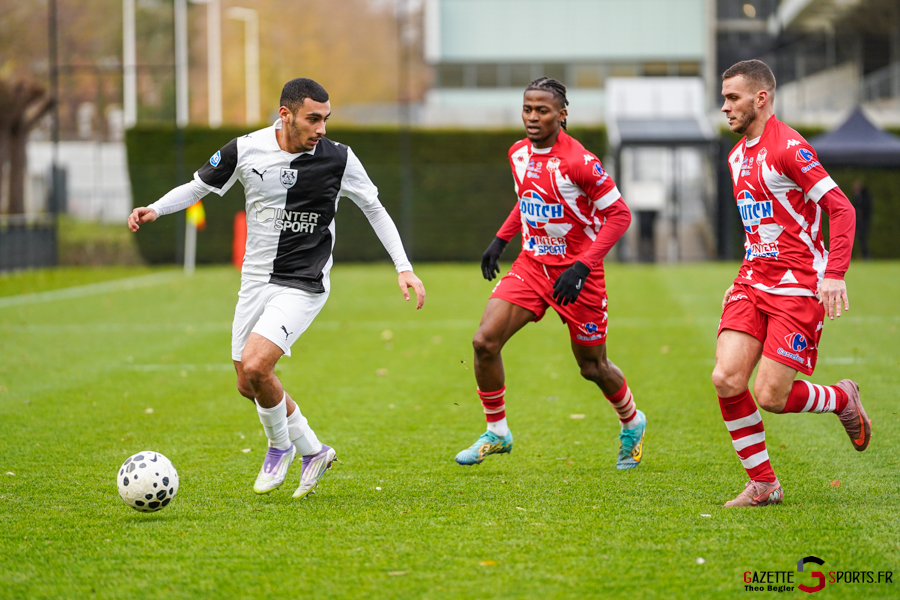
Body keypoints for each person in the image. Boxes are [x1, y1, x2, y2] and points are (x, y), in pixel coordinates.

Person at [128, 78, 425, 498]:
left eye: (325, 119)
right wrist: (156, 208)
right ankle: (314, 451)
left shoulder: (339, 158)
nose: (321, 128)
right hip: (255, 279)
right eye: (313, 119)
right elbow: (199, 186)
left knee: (256, 366)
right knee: (246, 383)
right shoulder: (246, 149)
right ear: (285, 115)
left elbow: (374, 208)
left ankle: (279, 446)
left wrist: (403, 267)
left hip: (303, 281)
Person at [454, 77, 646, 469]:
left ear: (562, 114)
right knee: (484, 342)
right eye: (527, 109)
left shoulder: (580, 162)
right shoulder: (518, 154)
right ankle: (497, 432)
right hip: (532, 267)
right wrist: (500, 240)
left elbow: (619, 215)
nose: (532, 117)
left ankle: (631, 421)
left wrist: (582, 266)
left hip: (579, 277)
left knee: (592, 367)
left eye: (542, 110)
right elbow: (527, 200)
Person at [715, 60, 869, 507]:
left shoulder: (790, 149)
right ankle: (764, 484)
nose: (725, 107)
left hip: (798, 286)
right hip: (752, 282)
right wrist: (741, 275)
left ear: (761, 98)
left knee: (771, 396)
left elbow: (842, 208)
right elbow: (760, 227)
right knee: (726, 378)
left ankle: (841, 398)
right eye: (724, 98)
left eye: (733, 98)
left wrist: (834, 274)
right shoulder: (736, 157)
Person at [852, 180, 872, 259]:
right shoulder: (856, 196)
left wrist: (861, 213)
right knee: (860, 237)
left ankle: (866, 254)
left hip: (864, 220)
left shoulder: (865, 196)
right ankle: (864, 254)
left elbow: (867, 207)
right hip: (858, 220)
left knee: (862, 237)